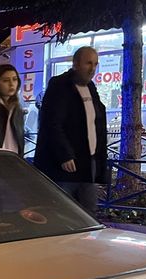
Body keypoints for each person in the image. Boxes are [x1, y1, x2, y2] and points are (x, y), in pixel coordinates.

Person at [34, 46, 108, 215]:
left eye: (96, 64)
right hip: (66, 166)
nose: (93, 68)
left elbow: (95, 122)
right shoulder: (60, 85)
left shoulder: (91, 88)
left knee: (88, 211)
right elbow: (52, 123)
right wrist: (65, 154)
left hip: (87, 163)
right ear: (76, 64)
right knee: (63, 211)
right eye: (88, 63)